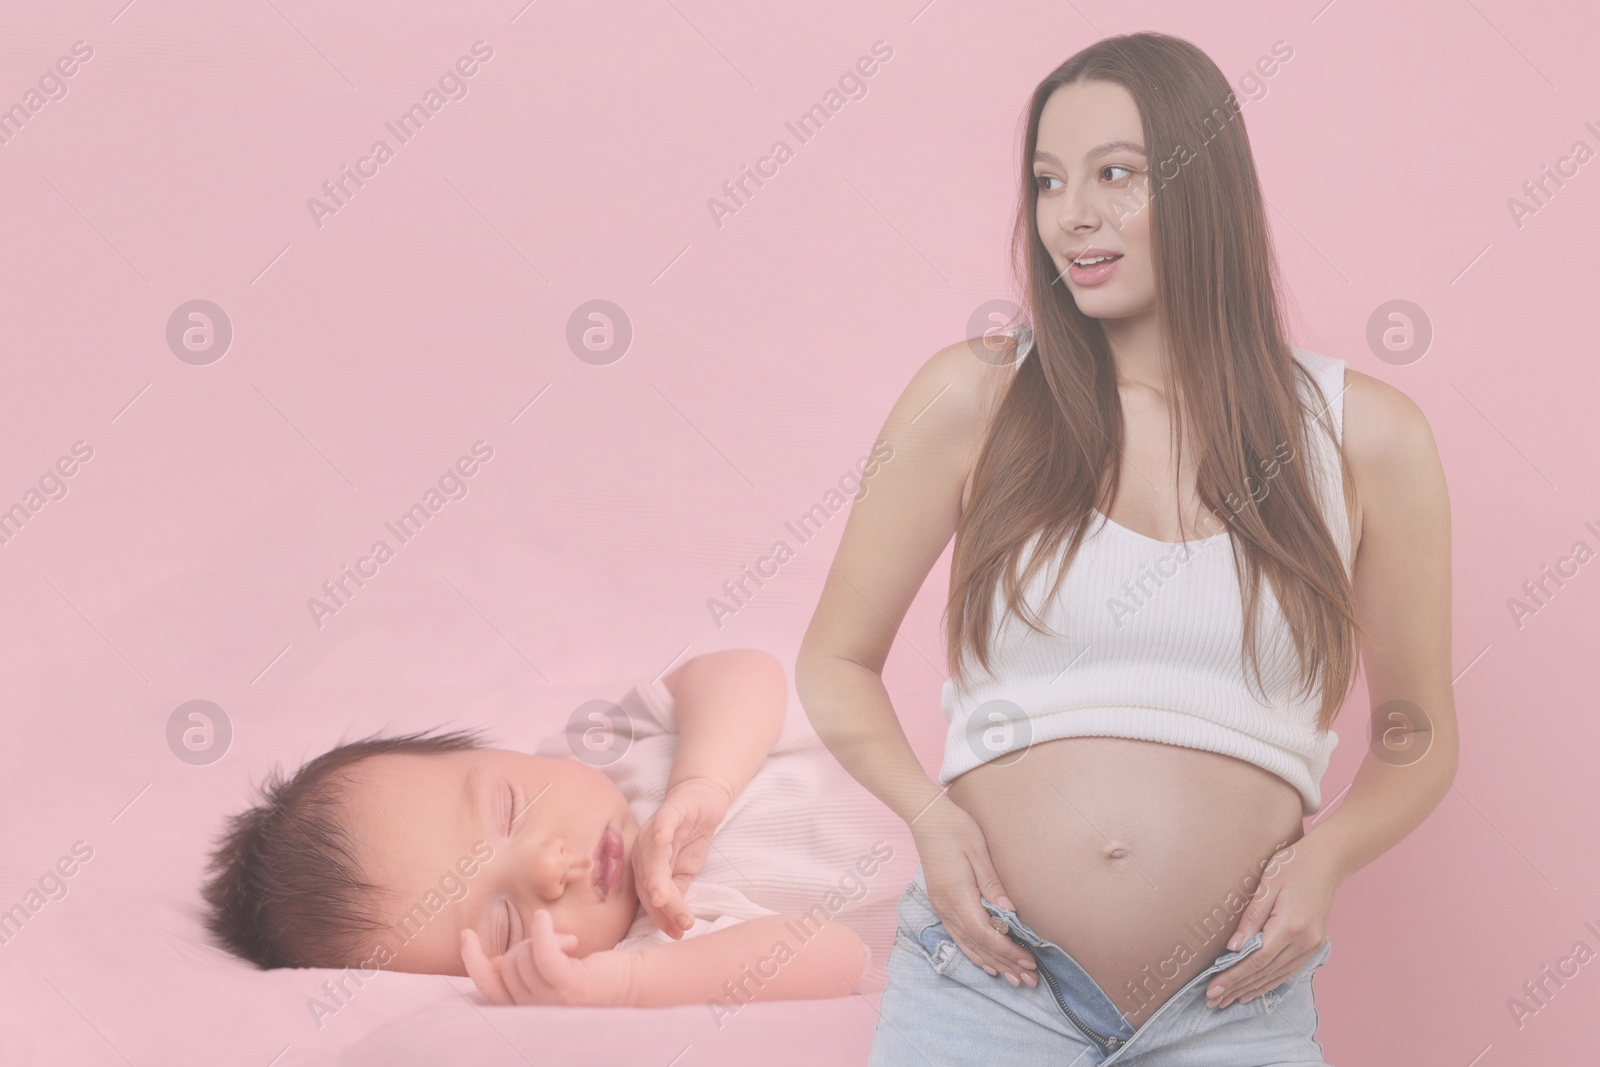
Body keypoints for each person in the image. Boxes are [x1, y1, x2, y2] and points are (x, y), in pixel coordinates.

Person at [796, 31, 1455, 1065]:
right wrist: (929, 815)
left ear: (1207, 189)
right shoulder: (973, 398)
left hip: (1232, 998)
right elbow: (833, 660)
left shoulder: (1367, 436)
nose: (1074, 214)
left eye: (1116, 175)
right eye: (1049, 180)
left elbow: (1415, 730)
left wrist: (1328, 856)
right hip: (985, 984)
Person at [200, 649, 881, 1011]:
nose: (546, 867)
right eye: (503, 923)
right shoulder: (661, 942)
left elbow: (745, 671)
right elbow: (839, 956)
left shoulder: (606, 748)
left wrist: (703, 782)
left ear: (501, 754)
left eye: (508, 808)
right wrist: (629, 985)